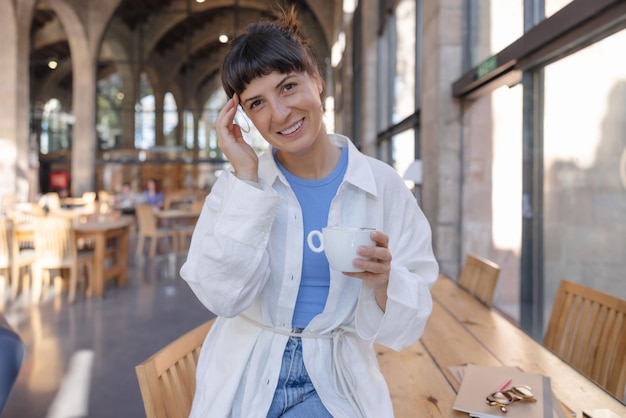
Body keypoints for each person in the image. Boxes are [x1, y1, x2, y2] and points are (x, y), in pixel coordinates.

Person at [180, 7, 438, 418]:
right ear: (243, 118)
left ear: (316, 80)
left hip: (334, 375)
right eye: (257, 103)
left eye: (288, 87)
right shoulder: (238, 188)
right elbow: (219, 296)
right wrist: (246, 175)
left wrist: (385, 281)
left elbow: (413, 318)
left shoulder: (382, 185)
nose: (280, 114)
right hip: (249, 370)